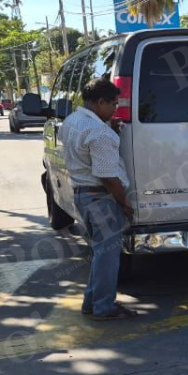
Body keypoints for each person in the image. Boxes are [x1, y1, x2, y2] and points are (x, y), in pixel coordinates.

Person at [61, 78, 138, 321]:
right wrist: (125, 203)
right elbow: (107, 176)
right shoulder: (98, 132)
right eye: (113, 104)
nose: (116, 109)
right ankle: (104, 308)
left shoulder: (72, 121)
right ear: (101, 101)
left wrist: (109, 130)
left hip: (84, 196)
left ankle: (92, 302)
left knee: (100, 253)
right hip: (102, 199)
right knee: (108, 258)